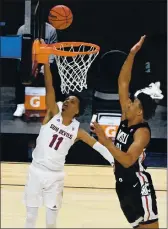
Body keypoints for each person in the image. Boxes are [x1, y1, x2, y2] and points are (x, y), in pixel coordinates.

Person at [24, 60, 115, 228]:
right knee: (30, 217)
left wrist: (113, 160)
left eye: (72, 101)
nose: (67, 102)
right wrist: (45, 64)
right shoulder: (52, 113)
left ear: (78, 110)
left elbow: (98, 146)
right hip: (36, 171)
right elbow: (49, 85)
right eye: (66, 99)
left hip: (55, 177)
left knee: (51, 223)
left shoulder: (78, 131)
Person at [93, 36, 163, 229]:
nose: (128, 103)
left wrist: (106, 142)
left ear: (140, 111)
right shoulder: (127, 116)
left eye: (133, 103)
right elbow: (123, 83)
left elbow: (127, 160)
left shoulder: (142, 133)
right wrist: (132, 54)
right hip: (122, 184)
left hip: (138, 186)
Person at [13, 22, 60, 117]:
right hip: (28, 60)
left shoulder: (51, 30)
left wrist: (46, 66)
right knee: (19, 70)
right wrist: (29, 66)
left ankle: (59, 101)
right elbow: (18, 51)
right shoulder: (22, 29)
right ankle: (20, 104)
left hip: (45, 60)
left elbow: (53, 50)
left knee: (55, 69)